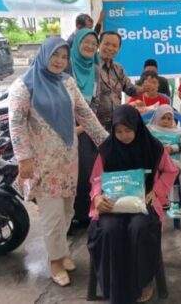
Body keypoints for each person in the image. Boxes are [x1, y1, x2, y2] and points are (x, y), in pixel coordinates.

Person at [8, 37, 109, 287]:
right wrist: (23, 158)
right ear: (44, 54)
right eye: (55, 55)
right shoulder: (23, 86)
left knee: (67, 211)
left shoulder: (67, 82)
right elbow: (16, 124)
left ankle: (61, 253)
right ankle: (54, 262)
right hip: (42, 163)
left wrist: (106, 142)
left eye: (64, 57)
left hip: (68, 160)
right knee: (52, 216)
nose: (59, 61)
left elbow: (85, 114)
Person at [88, 105, 179, 304]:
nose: (123, 136)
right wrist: (97, 198)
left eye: (128, 130)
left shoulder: (152, 147)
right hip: (112, 205)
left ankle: (143, 281)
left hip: (143, 204)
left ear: (137, 127)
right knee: (109, 230)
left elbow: (171, 171)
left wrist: (156, 192)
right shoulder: (107, 149)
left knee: (139, 228)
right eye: (119, 131)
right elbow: (96, 179)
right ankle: (113, 284)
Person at [68, 28, 102, 227]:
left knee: (86, 171)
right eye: (86, 42)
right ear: (77, 43)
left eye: (93, 43)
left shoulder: (95, 70)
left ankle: (83, 215)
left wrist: (84, 125)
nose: (90, 46)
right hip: (64, 125)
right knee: (67, 172)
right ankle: (68, 217)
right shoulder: (67, 66)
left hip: (87, 125)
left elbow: (95, 100)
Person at [92, 31, 142, 129]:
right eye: (107, 44)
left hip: (116, 122)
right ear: (99, 44)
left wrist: (143, 89)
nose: (110, 48)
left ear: (119, 48)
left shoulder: (119, 69)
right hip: (94, 124)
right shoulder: (90, 67)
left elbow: (130, 89)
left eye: (114, 46)